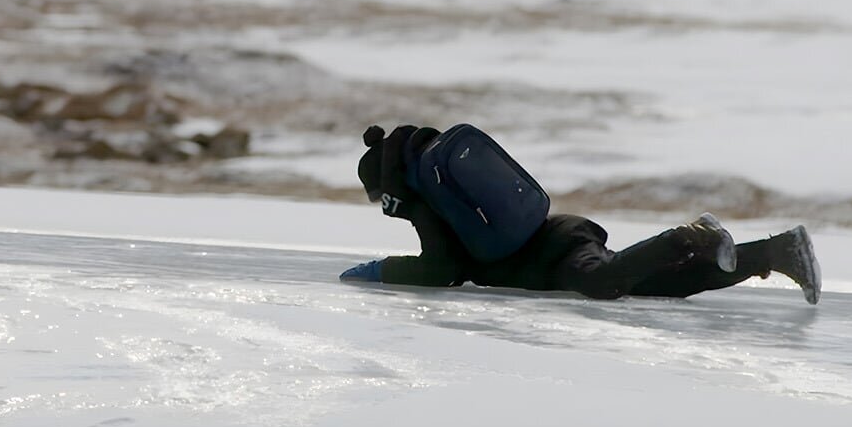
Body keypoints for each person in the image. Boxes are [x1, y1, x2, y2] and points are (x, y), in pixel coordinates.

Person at [340, 125, 820, 302]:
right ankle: (776, 253)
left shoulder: (429, 196)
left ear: (387, 191)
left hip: (551, 254)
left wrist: (381, 272)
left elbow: (442, 269)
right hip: (553, 240)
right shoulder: (440, 178)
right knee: (663, 285)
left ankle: (693, 235)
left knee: (602, 282)